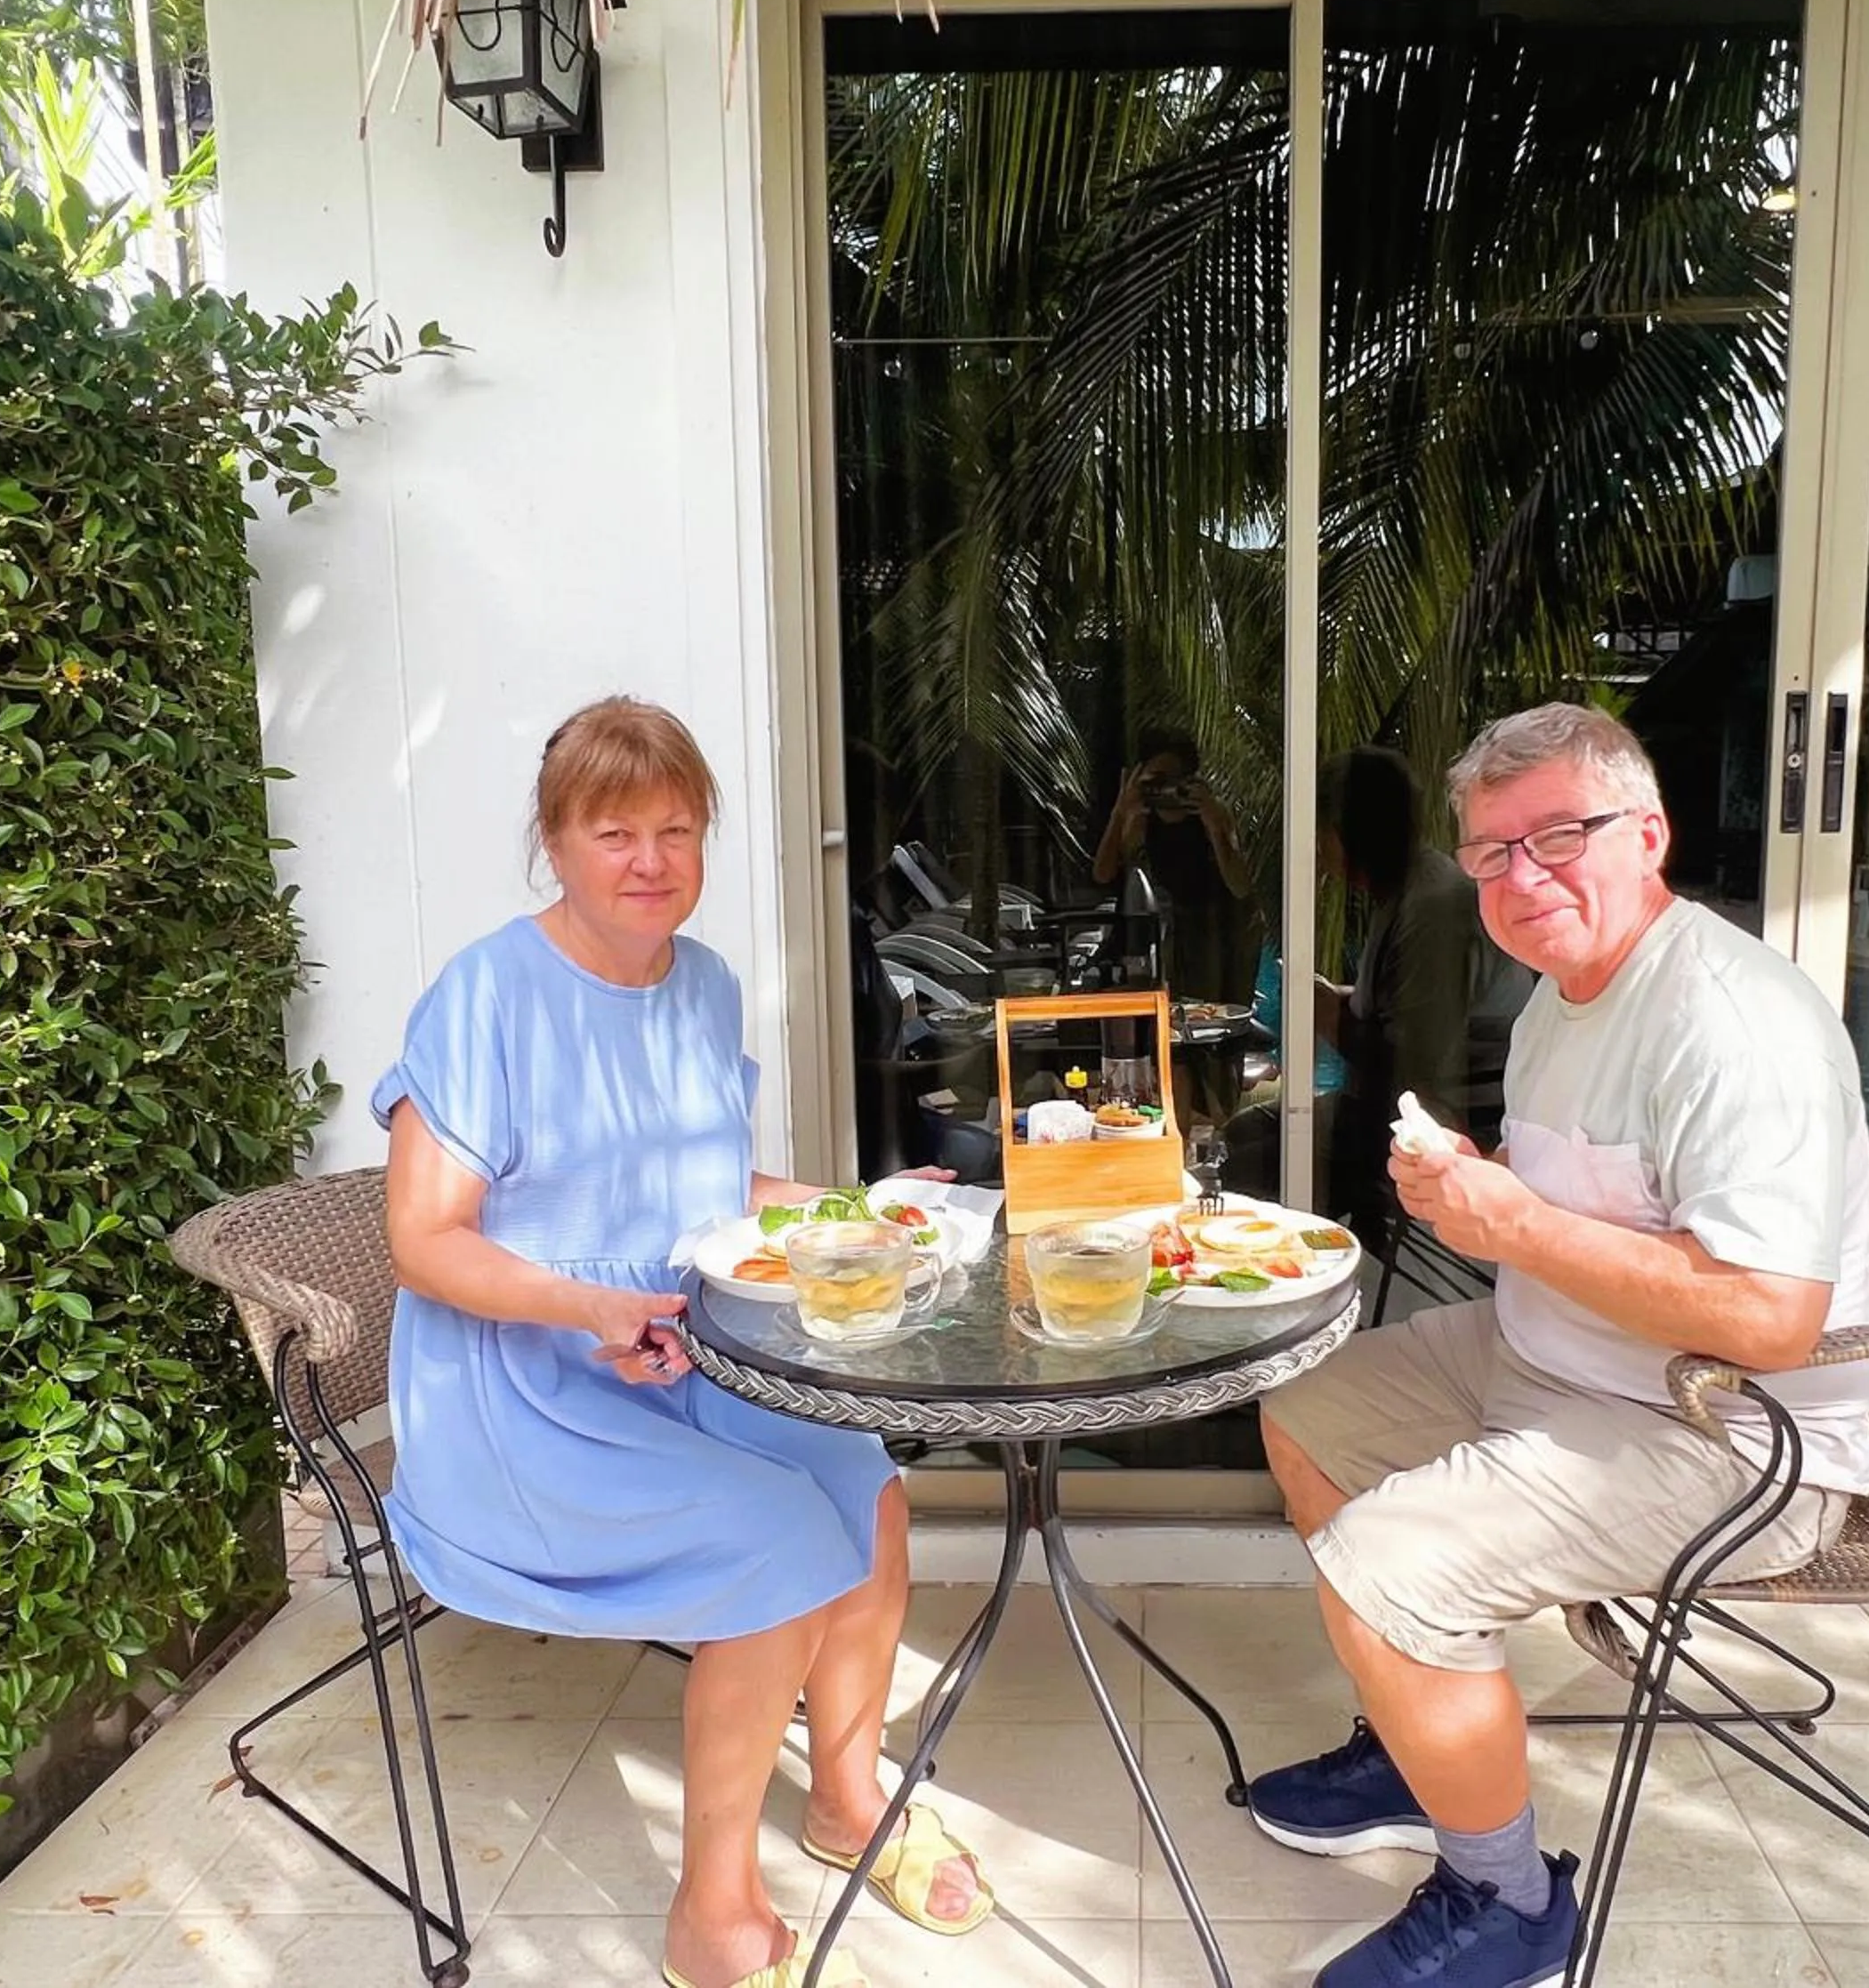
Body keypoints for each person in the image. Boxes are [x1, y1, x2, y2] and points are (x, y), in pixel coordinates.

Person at [1241, 703, 1869, 1988]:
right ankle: (1414, 1746)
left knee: (1384, 1565)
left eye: (1559, 837)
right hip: (1558, 1359)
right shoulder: (1559, 998)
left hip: (1726, 1432)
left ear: (1647, 834)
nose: (1520, 877)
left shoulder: (1728, 1019)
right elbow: (1590, 1218)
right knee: (1306, 1405)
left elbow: (1772, 1317)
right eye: (1489, 852)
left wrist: (1517, 1222)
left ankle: (1509, 1902)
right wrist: (1481, 1189)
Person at [374, 697, 990, 1988]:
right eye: (615, 832)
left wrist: (860, 1208)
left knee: (865, 1490)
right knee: (769, 1541)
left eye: (678, 829)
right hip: (525, 1387)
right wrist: (586, 1306)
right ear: (555, 842)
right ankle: (712, 1915)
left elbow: (701, 1190)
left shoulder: (701, 983)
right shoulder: (487, 991)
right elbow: (427, 1240)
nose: (652, 860)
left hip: (674, 1347)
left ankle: (844, 1793)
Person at [1313, 746, 1531, 1226]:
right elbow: (1406, 1005)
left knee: (1256, 1158)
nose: (1316, 848)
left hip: (1448, 1125)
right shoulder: (1404, 889)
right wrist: (1340, 999)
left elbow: (1420, 1067)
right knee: (1249, 1136)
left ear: (1348, 833)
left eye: (1320, 830)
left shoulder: (1433, 908)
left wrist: (1330, 1019)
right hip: (1399, 1103)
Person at [1092, 728, 1258, 1004]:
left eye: (1175, 781)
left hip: (1213, 939)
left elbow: (1241, 888)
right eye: (1157, 781)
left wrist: (1215, 827)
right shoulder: (1140, 821)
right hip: (1163, 935)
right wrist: (1120, 813)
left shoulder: (1210, 816)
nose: (1167, 790)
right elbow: (1103, 873)